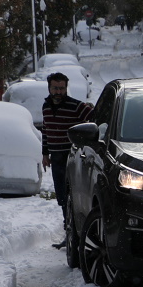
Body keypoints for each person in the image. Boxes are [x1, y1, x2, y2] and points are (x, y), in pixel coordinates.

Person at [40, 72, 94, 249]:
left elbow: (94, 117)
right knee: (63, 198)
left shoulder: (76, 106)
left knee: (73, 196)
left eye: (61, 88)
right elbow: (46, 131)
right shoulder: (46, 107)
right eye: (55, 88)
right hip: (56, 159)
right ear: (49, 88)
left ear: (66, 88)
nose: (58, 92)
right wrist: (45, 153)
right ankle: (69, 233)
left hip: (72, 158)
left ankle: (78, 236)